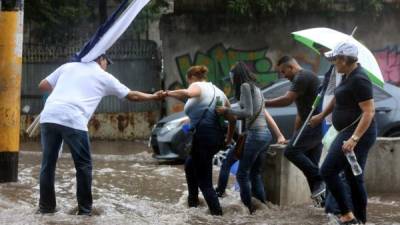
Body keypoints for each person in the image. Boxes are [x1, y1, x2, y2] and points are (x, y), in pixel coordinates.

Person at [37, 54, 162, 215]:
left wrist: (65, 87)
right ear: (100, 59)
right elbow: (132, 95)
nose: (107, 66)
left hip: (49, 115)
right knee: (83, 166)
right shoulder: (104, 76)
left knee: (48, 165)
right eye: (107, 62)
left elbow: (43, 85)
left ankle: (46, 209)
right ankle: (85, 212)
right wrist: (153, 96)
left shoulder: (68, 66)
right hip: (73, 118)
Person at [310, 41, 377, 224]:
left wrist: (354, 139)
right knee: (352, 177)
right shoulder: (347, 76)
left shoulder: (359, 79)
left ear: (345, 59)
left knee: (328, 170)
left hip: (358, 134)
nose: (333, 63)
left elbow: (369, 111)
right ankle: (358, 220)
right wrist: (322, 115)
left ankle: (347, 215)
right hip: (346, 131)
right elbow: (338, 99)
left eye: (336, 59)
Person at [165, 65, 235, 216]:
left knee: (205, 183)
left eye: (188, 81)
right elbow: (232, 117)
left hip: (204, 138)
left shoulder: (197, 86)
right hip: (215, 138)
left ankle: (218, 216)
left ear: (192, 78)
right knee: (190, 165)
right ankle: (193, 205)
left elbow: (187, 93)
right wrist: (228, 139)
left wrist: (167, 93)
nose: (189, 84)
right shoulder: (219, 92)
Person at [264, 56, 326, 200]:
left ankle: (322, 179)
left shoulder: (302, 77)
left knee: (291, 152)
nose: (284, 76)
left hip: (314, 124)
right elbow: (300, 114)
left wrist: (264, 103)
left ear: (291, 67)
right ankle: (323, 204)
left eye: (284, 71)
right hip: (312, 126)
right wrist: (295, 136)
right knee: (310, 167)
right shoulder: (304, 78)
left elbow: (287, 100)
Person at [216, 61, 273, 214]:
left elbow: (247, 112)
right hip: (264, 135)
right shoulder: (257, 88)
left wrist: (226, 110)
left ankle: (248, 210)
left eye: (232, 76)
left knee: (241, 173)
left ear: (237, 75)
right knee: (255, 173)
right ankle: (263, 209)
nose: (231, 79)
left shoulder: (245, 87)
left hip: (255, 135)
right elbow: (251, 112)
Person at [215, 109, 286, 198]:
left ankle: (221, 193)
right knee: (255, 173)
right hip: (265, 136)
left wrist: (228, 138)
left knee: (231, 166)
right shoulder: (258, 101)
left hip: (251, 137)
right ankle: (261, 205)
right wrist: (279, 135)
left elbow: (233, 119)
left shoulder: (246, 100)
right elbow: (268, 117)